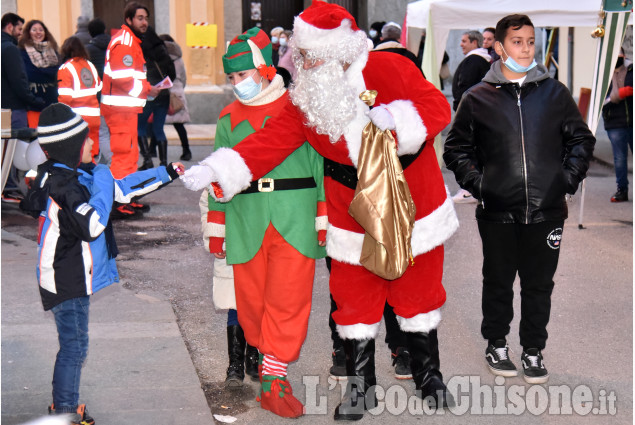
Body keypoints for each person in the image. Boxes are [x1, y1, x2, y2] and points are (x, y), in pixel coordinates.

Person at [182, 2, 458, 419]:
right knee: (354, 299)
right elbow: (270, 141)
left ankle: (428, 375)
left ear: (336, 49)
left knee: (417, 293)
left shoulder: (390, 69)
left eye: (308, 54)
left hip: (410, 203)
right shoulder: (307, 97)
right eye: (299, 54)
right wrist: (219, 168)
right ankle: (361, 387)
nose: (300, 62)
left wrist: (394, 123)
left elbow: (437, 108)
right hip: (350, 212)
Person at [444, 14, 595, 385]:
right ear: (499, 47)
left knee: (539, 283)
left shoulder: (554, 93)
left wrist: (566, 181)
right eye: (517, 42)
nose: (525, 49)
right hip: (498, 211)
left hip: (547, 211)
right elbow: (456, 148)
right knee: (498, 279)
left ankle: (533, 349)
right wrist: (481, 185)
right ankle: (496, 343)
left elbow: (581, 141)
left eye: (530, 41)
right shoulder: (477, 98)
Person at [20, 103, 183, 425]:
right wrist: (105, 178)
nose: (95, 145)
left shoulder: (74, 175)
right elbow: (92, 223)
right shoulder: (64, 187)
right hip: (67, 278)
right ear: (72, 148)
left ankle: (65, 406)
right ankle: (65, 411)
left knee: (75, 345)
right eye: (88, 141)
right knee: (74, 348)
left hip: (71, 273)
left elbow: (121, 191)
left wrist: (166, 173)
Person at [200, 27, 327, 417]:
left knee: (289, 302)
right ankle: (268, 367)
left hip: (294, 217)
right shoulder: (226, 119)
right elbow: (217, 180)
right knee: (252, 306)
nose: (238, 83)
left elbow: (319, 167)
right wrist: (217, 225)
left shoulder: (299, 110)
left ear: (265, 69)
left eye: (243, 74)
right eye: (232, 77)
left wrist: (323, 215)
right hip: (246, 219)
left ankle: (274, 379)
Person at [101, 2, 160, 218]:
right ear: (129, 20)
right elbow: (122, 79)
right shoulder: (125, 43)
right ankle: (119, 202)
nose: (145, 22)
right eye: (140, 18)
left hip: (125, 109)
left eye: (146, 18)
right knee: (123, 154)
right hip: (119, 109)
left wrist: (146, 90)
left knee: (130, 154)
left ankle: (128, 197)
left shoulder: (130, 41)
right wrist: (148, 90)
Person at [1, 12, 45, 203]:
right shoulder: (9, 49)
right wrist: (33, 101)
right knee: (12, 148)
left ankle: (7, 186)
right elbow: (18, 81)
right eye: (19, 29)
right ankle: (9, 187)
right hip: (13, 107)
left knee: (4, 148)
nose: (20, 33)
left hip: (3, 107)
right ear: (9, 26)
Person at [450, 30, 491, 204]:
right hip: (480, 112)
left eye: (464, 41)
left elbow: (466, 88)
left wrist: (462, 110)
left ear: (475, 43)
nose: (461, 44)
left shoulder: (474, 61)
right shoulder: (482, 61)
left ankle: (470, 190)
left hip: (472, 114)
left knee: (470, 150)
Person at [57, 36, 102, 160]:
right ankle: (93, 178)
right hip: (94, 117)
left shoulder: (66, 68)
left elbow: (65, 98)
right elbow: (98, 87)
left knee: (79, 156)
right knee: (91, 153)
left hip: (77, 119)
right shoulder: (90, 66)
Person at [138, 25, 175, 170]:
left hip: (148, 94)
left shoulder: (141, 50)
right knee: (159, 128)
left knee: (140, 127)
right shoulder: (163, 50)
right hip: (163, 94)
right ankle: (164, 163)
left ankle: (147, 160)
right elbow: (172, 74)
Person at [602, 48, 633, 203]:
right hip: (615, 123)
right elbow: (602, 101)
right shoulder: (604, 75)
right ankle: (622, 190)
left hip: (632, 121)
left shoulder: (631, 71)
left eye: (620, 56)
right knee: (620, 159)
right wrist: (618, 94)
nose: (618, 59)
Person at [18, 19, 60, 128]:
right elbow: (29, 73)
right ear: (28, 33)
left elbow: (57, 71)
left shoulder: (53, 50)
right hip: (34, 100)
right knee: (36, 135)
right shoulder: (22, 51)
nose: (38, 32)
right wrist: (47, 72)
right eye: (34, 30)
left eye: (41, 30)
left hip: (52, 99)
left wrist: (39, 71)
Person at [160, 34, 192, 161]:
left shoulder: (160, 58)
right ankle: (186, 150)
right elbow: (183, 77)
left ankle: (152, 152)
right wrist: (180, 88)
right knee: (179, 125)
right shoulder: (179, 59)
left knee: (157, 124)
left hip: (163, 92)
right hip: (177, 92)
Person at [85, 18, 112, 165]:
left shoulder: (89, 50)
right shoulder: (114, 46)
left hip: (99, 96)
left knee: (103, 132)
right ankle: (105, 161)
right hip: (116, 94)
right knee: (114, 132)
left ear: (90, 33)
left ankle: (112, 162)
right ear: (105, 30)